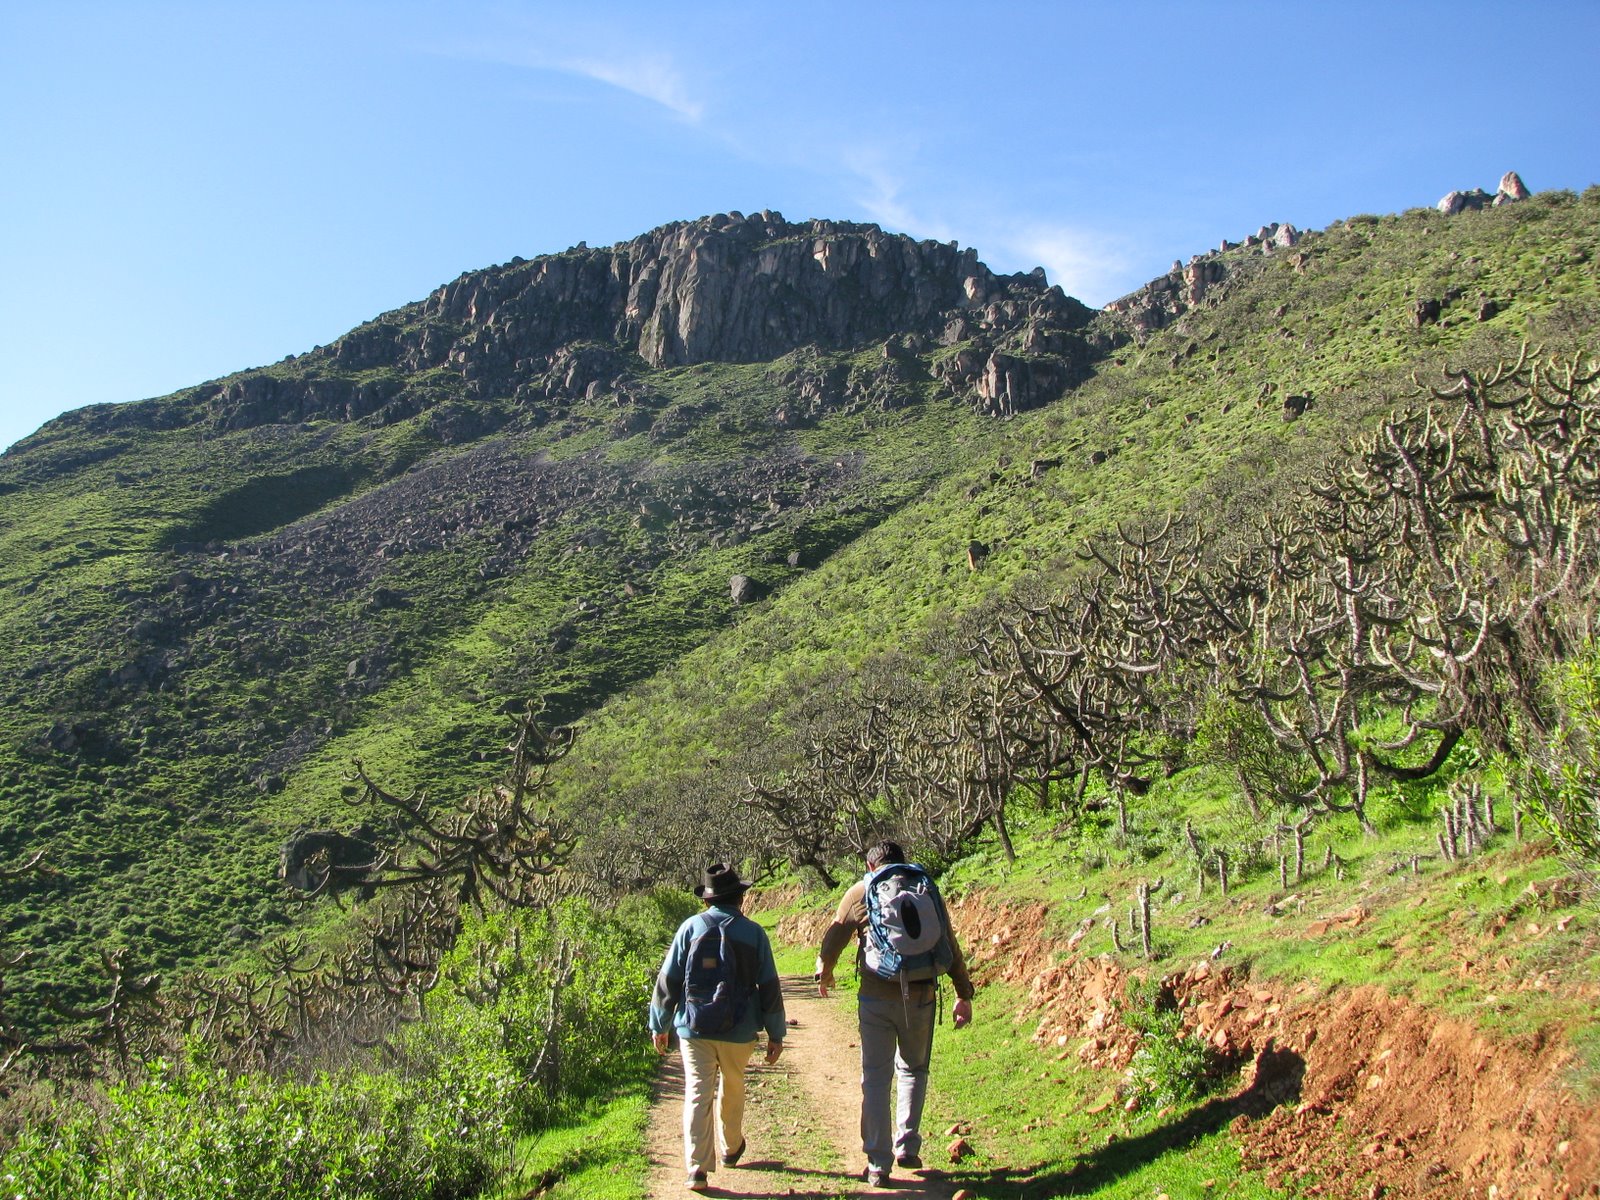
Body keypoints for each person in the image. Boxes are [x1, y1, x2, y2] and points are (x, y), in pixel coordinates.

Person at [816, 841, 974, 1188]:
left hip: (875, 997)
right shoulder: (923, 886)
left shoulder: (861, 891)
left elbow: (834, 937)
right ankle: (907, 1145)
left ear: (870, 865)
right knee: (914, 1068)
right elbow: (948, 941)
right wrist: (963, 993)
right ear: (902, 863)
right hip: (922, 994)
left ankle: (877, 1162)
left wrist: (824, 971)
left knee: (875, 1077)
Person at [650, 862, 787, 1192]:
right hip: (739, 1031)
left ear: (707, 900)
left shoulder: (690, 928)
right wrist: (776, 1032)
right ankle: (730, 1147)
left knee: (698, 1091)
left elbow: (668, 981)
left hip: (694, 1028)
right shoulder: (754, 933)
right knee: (734, 1084)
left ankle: (697, 1168)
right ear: (740, 898)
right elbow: (768, 986)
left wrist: (660, 1024)